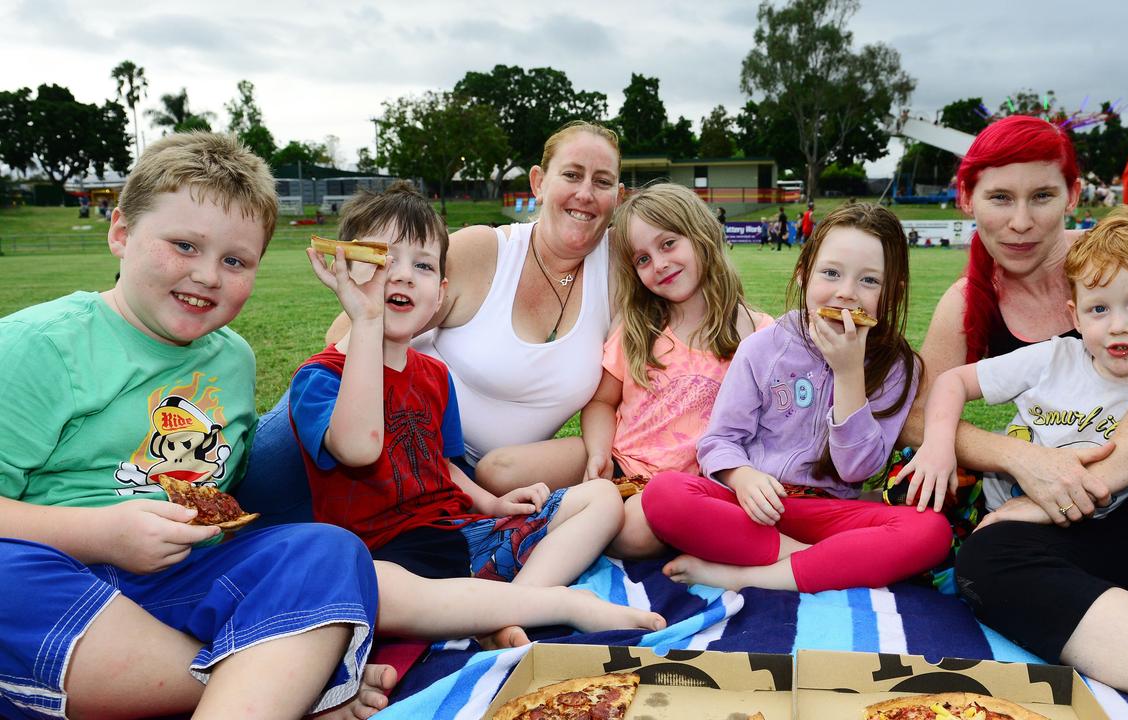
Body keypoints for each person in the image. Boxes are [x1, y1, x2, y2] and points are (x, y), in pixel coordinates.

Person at [899, 115, 1128, 720]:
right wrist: (1023, 460)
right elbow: (919, 415)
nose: (1020, 222)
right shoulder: (966, 301)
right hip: (1100, 527)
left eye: (1042, 196)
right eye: (1000, 197)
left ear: (1073, 195)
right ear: (967, 198)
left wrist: (1076, 487)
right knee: (989, 564)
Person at [0, 132, 382, 719]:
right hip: (57, 573)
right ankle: (290, 680)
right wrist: (102, 534)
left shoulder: (232, 360)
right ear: (121, 232)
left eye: (235, 261)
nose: (208, 275)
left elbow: (225, 498)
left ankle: (269, 680)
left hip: (180, 579)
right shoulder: (39, 345)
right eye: (184, 245)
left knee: (328, 553)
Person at [291, 182, 660, 649]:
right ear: (346, 271)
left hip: (463, 538)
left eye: (422, 266)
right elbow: (359, 449)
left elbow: (443, 467)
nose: (403, 276)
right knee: (364, 588)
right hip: (389, 559)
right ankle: (560, 604)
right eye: (383, 261)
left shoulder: (433, 375)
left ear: (440, 290)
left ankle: (510, 609)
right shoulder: (319, 379)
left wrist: (491, 505)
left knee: (602, 498)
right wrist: (365, 322)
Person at [239, 121, 625, 523]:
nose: (585, 193)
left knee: (345, 548)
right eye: (572, 174)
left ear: (619, 195)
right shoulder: (485, 252)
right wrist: (385, 436)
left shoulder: (621, 275)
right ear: (539, 182)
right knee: (253, 495)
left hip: (461, 475)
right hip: (374, 421)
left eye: (602, 181)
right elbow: (344, 334)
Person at [640, 203, 952, 593]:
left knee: (931, 531)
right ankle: (818, 560)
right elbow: (719, 441)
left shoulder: (898, 367)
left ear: (893, 292)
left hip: (828, 511)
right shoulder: (761, 348)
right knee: (664, 495)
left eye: (869, 281)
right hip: (752, 506)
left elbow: (858, 470)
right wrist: (742, 477)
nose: (846, 293)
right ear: (804, 274)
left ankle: (747, 576)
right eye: (831, 273)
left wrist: (849, 372)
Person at [477, 183, 773, 558]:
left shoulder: (759, 334)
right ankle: (579, 510)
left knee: (634, 533)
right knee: (495, 469)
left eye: (668, 244)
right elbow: (602, 401)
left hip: (679, 488)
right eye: (643, 259)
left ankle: (555, 523)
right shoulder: (637, 327)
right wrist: (599, 453)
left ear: (703, 234)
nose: (659, 264)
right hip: (617, 460)